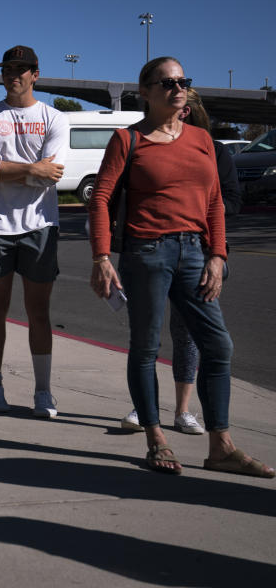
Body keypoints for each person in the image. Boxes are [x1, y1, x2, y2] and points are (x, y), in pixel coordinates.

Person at [90, 56, 273, 478]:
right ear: (146, 91)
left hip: (195, 252)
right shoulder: (128, 140)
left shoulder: (202, 140)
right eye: (167, 82)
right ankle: (156, 438)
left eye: (183, 81)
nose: (178, 87)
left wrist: (217, 254)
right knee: (146, 348)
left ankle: (221, 446)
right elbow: (99, 199)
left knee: (218, 345)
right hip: (146, 253)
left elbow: (213, 203)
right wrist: (101, 257)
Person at [120, 87, 243, 436]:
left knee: (193, 334)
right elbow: (108, 196)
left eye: (185, 107)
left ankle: (184, 410)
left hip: (202, 252)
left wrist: (213, 246)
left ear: (192, 113)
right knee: (147, 336)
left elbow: (227, 201)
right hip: (153, 249)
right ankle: (146, 408)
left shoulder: (211, 149)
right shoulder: (138, 141)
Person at [0, 45, 68, 418]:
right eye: (9, 69)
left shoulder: (55, 118)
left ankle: (43, 392)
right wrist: (31, 169)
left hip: (40, 224)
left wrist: (4, 167)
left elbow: (52, 172)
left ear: (35, 74)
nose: (15, 75)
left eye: (22, 69)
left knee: (38, 311)